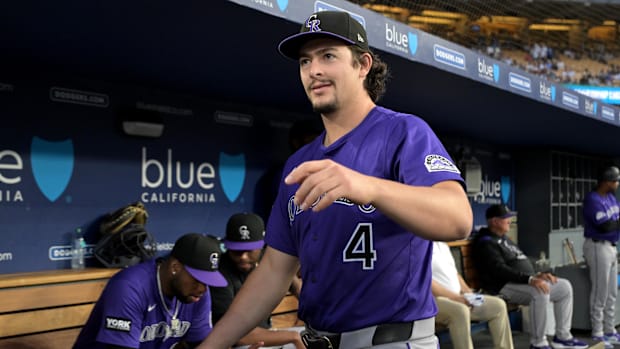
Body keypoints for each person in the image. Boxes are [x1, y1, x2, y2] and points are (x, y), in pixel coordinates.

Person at [196, 10, 472, 349]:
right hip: (318, 340)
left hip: (392, 341)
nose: (314, 70)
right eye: (304, 61)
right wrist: (210, 346)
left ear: (363, 65)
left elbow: (458, 219)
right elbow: (272, 273)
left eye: (328, 55)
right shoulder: (299, 163)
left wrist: (369, 187)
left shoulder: (403, 132)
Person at [73, 233, 228, 349]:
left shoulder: (196, 294)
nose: (202, 288)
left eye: (207, 281)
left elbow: (200, 343)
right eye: (197, 279)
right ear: (175, 267)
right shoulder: (129, 287)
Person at [472, 204, 587, 349]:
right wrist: (530, 279)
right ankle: (538, 342)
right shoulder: (485, 242)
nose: (510, 220)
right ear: (494, 221)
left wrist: (538, 274)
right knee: (539, 292)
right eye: (506, 218)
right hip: (503, 286)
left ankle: (562, 337)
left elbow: (520, 261)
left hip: (520, 281)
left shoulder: (504, 239)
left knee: (564, 287)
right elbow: (499, 270)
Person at [210, 212, 304, 348]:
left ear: (261, 246)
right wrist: (293, 337)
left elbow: (297, 288)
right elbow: (235, 336)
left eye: (249, 250)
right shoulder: (218, 274)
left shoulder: (267, 260)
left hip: (268, 335)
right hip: (238, 344)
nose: (243, 257)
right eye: (237, 251)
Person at [431, 240, 514, 349]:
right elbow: (427, 282)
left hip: (457, 297)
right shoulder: (421, 247)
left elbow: (454, 274)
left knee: (498, 305)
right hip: (433, 301)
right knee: (461, 311)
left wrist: (469, 294)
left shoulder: (442, 245)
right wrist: (456, 298)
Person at [582, 165, 620, 348]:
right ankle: (597, 332)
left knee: (612, 292)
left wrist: (615, 224)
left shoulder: (612, 198)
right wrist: (615, 224)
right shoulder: (593, 199)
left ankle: (609, 329)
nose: (617, 183)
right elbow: (604, 226)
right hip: (597, 246)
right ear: (606, 182)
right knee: (600, 291)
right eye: (615, 180)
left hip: (611, 248)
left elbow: (615, 224)